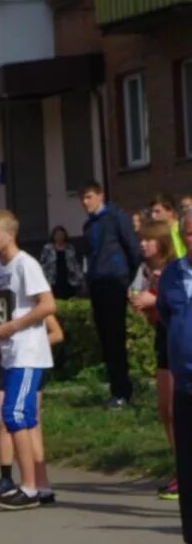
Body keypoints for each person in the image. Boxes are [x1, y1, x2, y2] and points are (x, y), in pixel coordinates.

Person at [0, 210, 57, 510]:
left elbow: (47, 304)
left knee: (15, 416)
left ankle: (28, 487)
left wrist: (15, 325)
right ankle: (42, 485)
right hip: (10, 354)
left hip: (28, 351)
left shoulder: (26, 264)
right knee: (26, 420)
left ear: (10, 234)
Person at [153, 209, 192, 544]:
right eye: (190, 233)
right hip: (186, 385)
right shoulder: (172, 275)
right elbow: (166, 316)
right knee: (188, 469)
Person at [81, 182, 139, 409]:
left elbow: (132, 249)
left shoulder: (116, 218)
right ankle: (116, 388)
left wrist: (125, 277)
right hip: (98, 282)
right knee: (105, 337)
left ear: (100, 196)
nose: (86, 203)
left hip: (114, 281)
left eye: (89, 197)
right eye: (82, 199)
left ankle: (123, 391)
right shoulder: (89, 225)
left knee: (115, 336)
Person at [130, 221, 177, 500]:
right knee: (165, 409)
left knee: (176, 408)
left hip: (180, 340)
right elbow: (154, 316)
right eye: (141, 240)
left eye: (148, 240)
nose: (143, 244)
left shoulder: (174, 269)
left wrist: (153, 300)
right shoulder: (149, 272)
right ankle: (179, 467)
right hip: (163, 337)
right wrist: (143, 306)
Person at [39, 226, 84, 299]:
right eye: (57, 235)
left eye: (61, 235)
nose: (60, 237)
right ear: (53, 236)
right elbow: (43, 263)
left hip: (68, 277)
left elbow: (75, 263)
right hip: (53, 278)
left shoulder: (69, 247)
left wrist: (79, 277)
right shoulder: (48, 248)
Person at [150, 194, 187, 258]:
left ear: (170, 211)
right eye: (152, 212)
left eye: (157, 212)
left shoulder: (182, 229)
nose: (153, 216)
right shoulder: (155, 233)